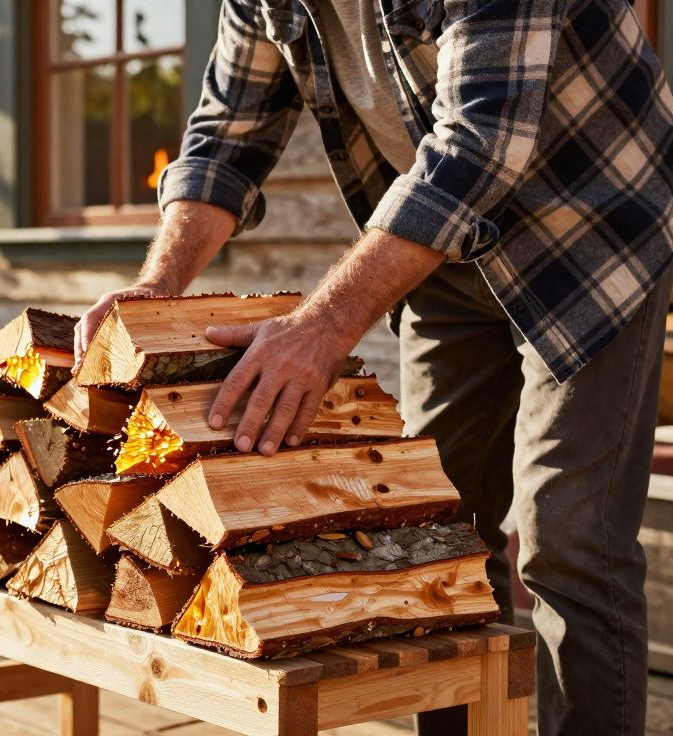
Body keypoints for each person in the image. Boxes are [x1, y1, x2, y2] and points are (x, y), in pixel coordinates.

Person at [72, 1, 673, 733]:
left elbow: (478, 147)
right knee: (434, 526)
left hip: (591, 235)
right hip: (446, 256)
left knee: (567, 538)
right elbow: (225, 142)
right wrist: (158, 289)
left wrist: (323, 327)